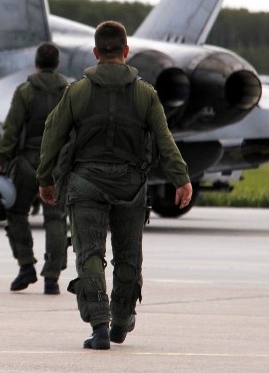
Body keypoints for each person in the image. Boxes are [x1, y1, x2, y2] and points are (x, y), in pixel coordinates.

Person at [36, 21, 192, 350]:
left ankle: (100, 327)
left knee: (89, 253)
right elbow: (165, 141)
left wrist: (45, 179)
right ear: (125, 51)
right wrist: (181, 179)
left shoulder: (77, 91)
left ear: (96, 52)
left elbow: (53, 134)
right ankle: (122, 321)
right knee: (128, 256)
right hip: (131, 185)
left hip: (86, 182)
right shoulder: (146, 94)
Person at [0, 42, 69, 295]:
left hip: (27, 163)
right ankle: (52, 277)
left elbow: (11, 131)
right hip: (57, 164)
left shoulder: (24, 91)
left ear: (36, 63)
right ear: (57, 64)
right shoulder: (70, 92)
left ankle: (26, 265)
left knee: (16, 214)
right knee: (56, 219)